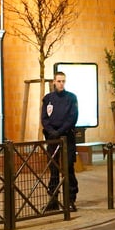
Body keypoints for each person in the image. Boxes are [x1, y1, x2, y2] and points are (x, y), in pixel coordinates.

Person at [42, 71, 79, 212]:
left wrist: (61, 131)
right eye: (59, 81)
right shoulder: (48, 99)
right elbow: (44, 118)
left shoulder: (71, 98)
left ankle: (70, 200)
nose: (61, 83)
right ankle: (53, 199)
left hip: (67, 138)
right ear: (54, 82)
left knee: (68, 168)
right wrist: (52, 132)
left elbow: (72, 118)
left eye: (63, 81)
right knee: (53, 169)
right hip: (52, 139)